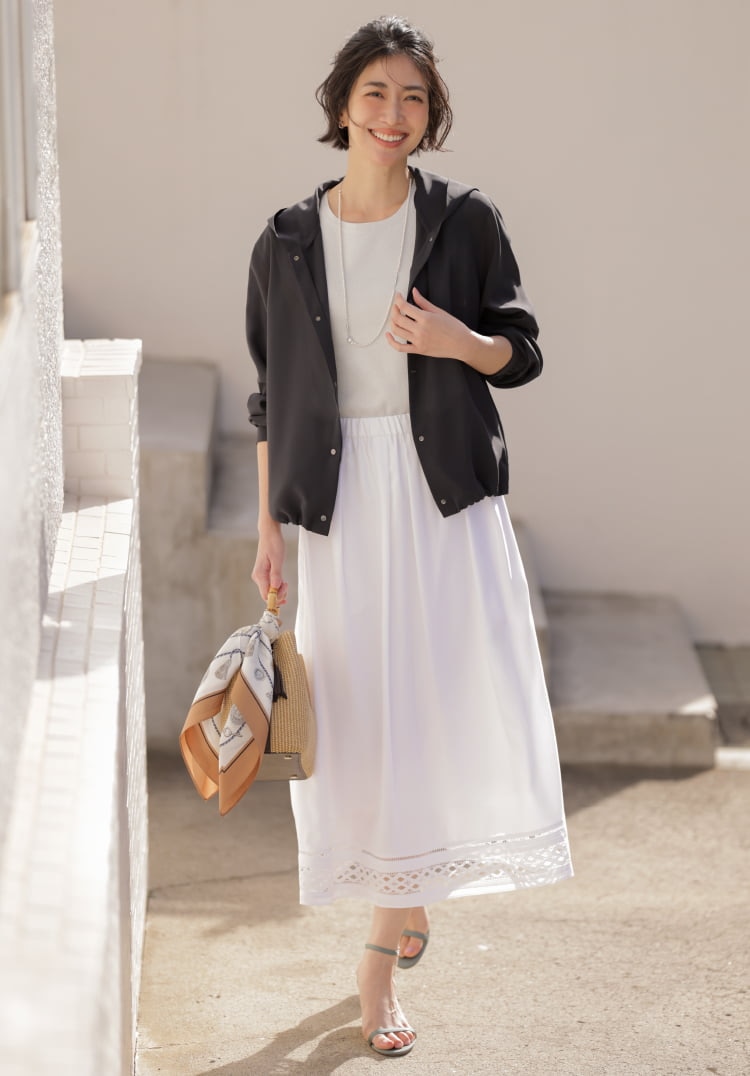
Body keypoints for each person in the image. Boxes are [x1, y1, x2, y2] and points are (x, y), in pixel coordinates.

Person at [246, 15, 573, 1058]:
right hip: (341, 507)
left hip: (441, 502)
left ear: (431, 117)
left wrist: (455, 340)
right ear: (342, 104)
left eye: (415, 98)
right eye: (377, 94)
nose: (395, 115)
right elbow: (272, 395)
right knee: (361, 726)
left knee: (430, 716)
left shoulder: (465, 222)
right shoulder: (286, 239)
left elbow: (521, 353)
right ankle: (406, 888)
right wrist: (268, 527)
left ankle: (376, 967)